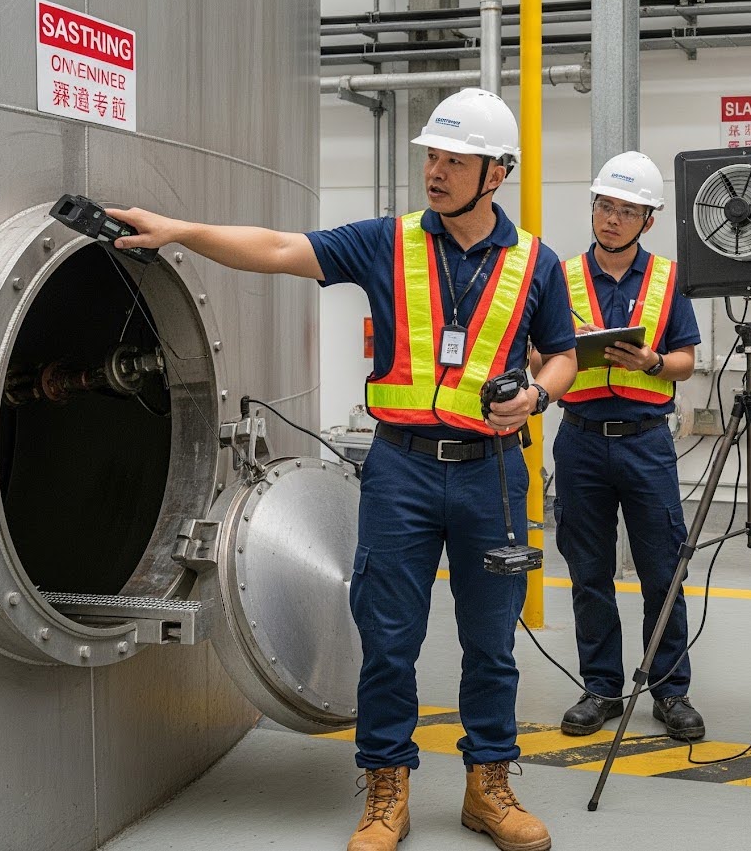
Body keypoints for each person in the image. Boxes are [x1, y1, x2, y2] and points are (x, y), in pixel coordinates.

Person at [109, 87, 574, 851]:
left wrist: (535, 395)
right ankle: (385, 784)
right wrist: (181, 232)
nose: (436, 171)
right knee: (388, 636)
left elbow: (561, 353)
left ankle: (488, 783)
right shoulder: (386, 242)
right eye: (432, 156)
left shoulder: (537, 264)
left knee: (491, 638)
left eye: (456, 160)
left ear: (497, 174)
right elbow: (281, 248)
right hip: (401, 471)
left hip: (492, 470)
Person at [545, 151, 705, 741]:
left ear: (649, 220)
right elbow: (533, 356)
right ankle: (600, 688)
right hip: (581, 440)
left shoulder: (668, 281)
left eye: (626, 210)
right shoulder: (559, 278)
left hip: (646, 444)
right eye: (604, 205)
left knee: (663, 570)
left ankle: (671, 692)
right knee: (589, 572)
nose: (611, 218)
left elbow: (687, 360)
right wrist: (562, 351)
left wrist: (653, 361)